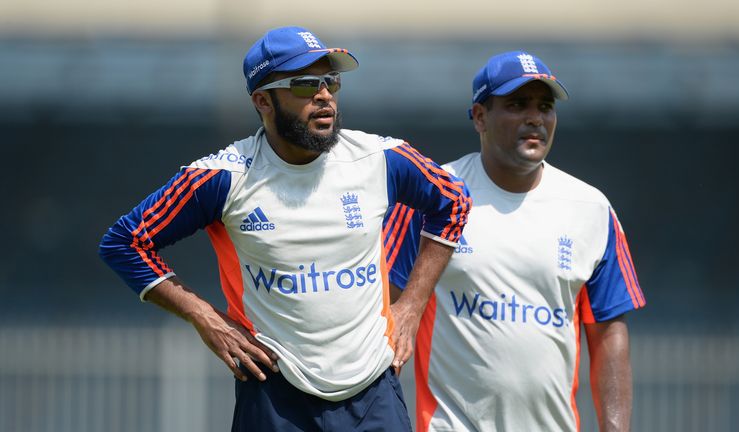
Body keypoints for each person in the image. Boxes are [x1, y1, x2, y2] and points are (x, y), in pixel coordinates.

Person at [99, 26, 470, 431]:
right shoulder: (225, 177)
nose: (324, 94)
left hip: (373, 394)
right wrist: (204, 317)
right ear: (263, 100)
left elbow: (454, 202)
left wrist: (412, 305)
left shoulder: (381, 158)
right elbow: (124, 242)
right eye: (304, 83)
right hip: (275, 394)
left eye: (331, 81)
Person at [384, 51, 646, 432]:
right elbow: (378, 310)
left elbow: (608, 331)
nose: (535, 117)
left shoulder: (591, 208)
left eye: (545, 106)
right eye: (517, 104)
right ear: (479, 116)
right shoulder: (432, 195)